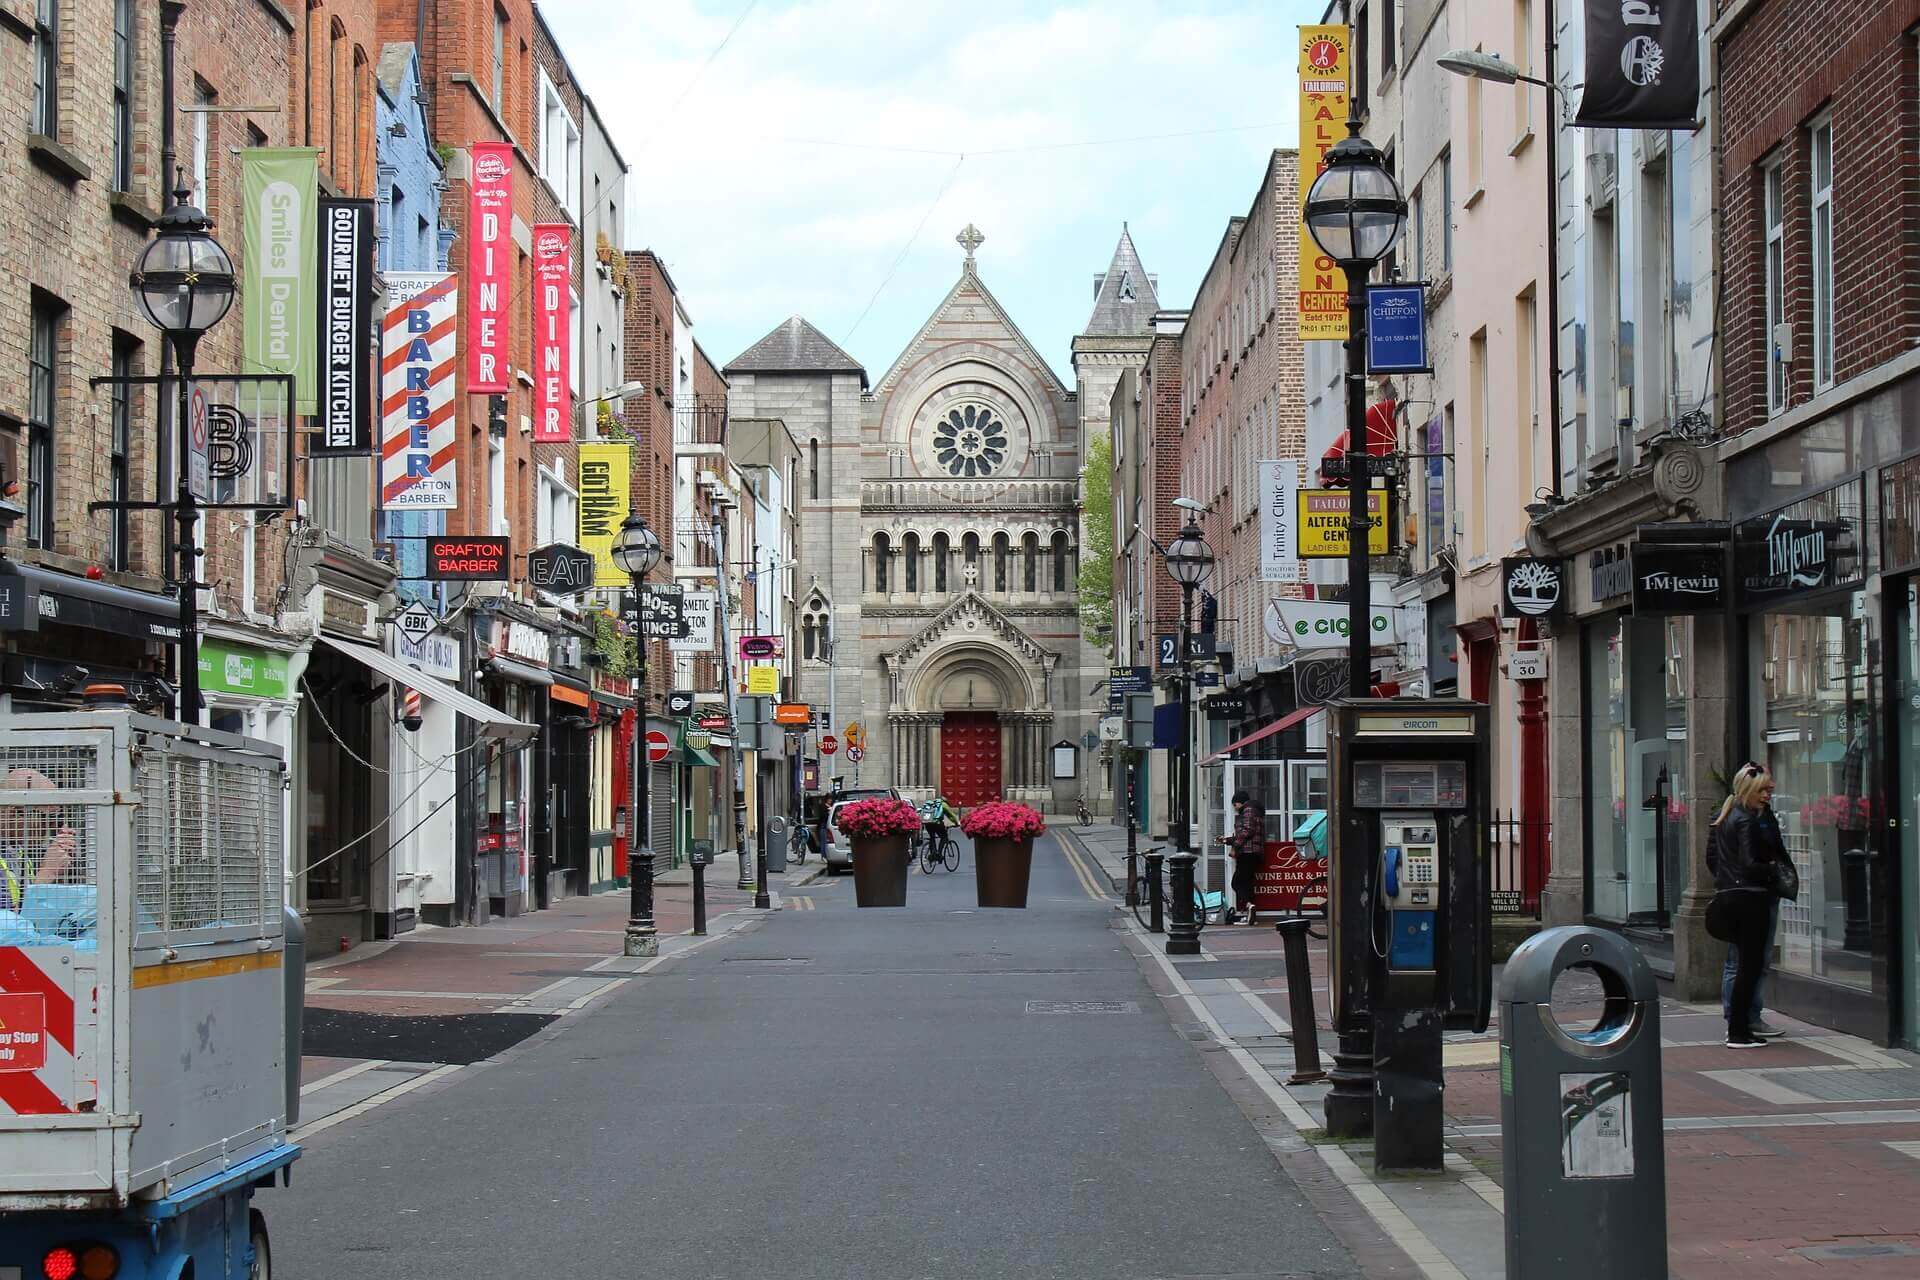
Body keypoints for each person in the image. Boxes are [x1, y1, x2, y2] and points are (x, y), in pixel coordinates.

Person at [1708, 762, 1787, 1048]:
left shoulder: (1729, 815)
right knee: (1747, 966)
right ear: (1749, 789)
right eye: (1763, 790)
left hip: (1733, 895)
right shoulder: (1744, 819)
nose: (1768, 795)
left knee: (1746, 965)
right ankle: (1739, 1030)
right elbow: (1749, 863)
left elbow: (1719, 859)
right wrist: (1770, 869)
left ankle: (1740, 1026)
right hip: (1749, 898)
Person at [0, 768, 77, 912]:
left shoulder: (16, 851)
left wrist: (58, 873)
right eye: (48, 818)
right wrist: (48, 872)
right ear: (15, 813)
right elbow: (7, 925)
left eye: (57, 818)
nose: (52, 826)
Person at [1225, 789, 1265, 925]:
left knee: (1236, 883)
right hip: (1253, 852)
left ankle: (1249, 906)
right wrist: (1227, 840)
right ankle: (1250, 916)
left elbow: (1247, 830)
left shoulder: (1248, 810)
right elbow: (1247, 832)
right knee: (1247, 883)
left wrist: (1235, 846)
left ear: (1239, 802)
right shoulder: (1254, 810)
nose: (1235, 809)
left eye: (1235, 805)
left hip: (1247, 852)